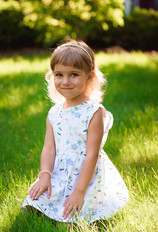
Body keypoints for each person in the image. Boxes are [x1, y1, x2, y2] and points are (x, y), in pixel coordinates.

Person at [21, 41, 129, 224]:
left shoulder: (94, 112)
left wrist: (79, 191)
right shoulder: (54, 113)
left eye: (74, 75)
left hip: (85, 176)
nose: (65, 81)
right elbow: (49, 149)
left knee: (70, 217)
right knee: (32, 205)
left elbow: (92, 155)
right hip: (59, 172)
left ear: (89, 77)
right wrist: (45, 174)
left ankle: (77, 206)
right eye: (59, 75)